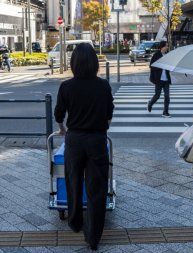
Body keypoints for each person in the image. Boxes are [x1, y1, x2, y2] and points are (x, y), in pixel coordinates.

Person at [54, 43, 114, 251]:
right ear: (95, 63)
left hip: (75, 139)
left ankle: (75, 222)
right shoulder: (103, 86)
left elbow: (58, 114)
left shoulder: (67, 86)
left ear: (74, 63)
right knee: (97, 188)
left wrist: (63, 129)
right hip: (97, 140)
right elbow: (108, 115)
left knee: (73, 181)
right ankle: (94, 237)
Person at [148, 41, 172, 118]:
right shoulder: (156, 55)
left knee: (167, 96)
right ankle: (150, 103)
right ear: (162, 47)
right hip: (158, 80)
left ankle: (165, 112)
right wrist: (161, 66)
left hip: (166, 80)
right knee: (157, 95)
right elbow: (151, 66)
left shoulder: (167, 55)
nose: (167, 47)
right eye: (166, 46)